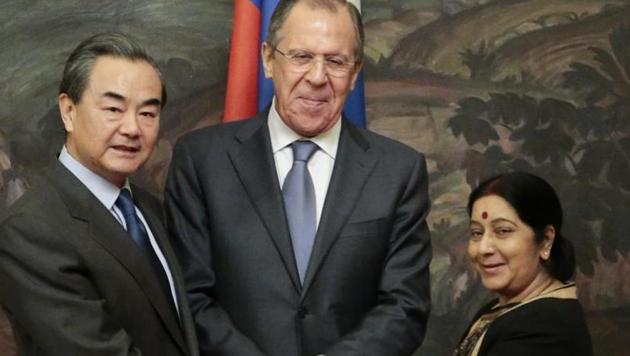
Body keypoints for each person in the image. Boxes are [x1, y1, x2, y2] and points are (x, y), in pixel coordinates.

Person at [165, 0, 432, 355]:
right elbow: (189, 295)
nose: (318, 77)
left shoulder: (398, 170)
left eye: (335, 61)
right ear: (267, 59)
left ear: (354, 74)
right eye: (301, 57)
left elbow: (405, 306)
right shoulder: (201, 160)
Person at [0, 32, 198, 356]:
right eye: (113, 109)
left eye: (147, 113)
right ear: (68, 111)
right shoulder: (29, 231)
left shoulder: (148, 207)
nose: (133, 128)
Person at [454, 172, 593, 356]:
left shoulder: (545, 328)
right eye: (476, 233)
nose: (483, 248)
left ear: (545, 240)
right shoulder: (500, 308)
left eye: (503, 231)